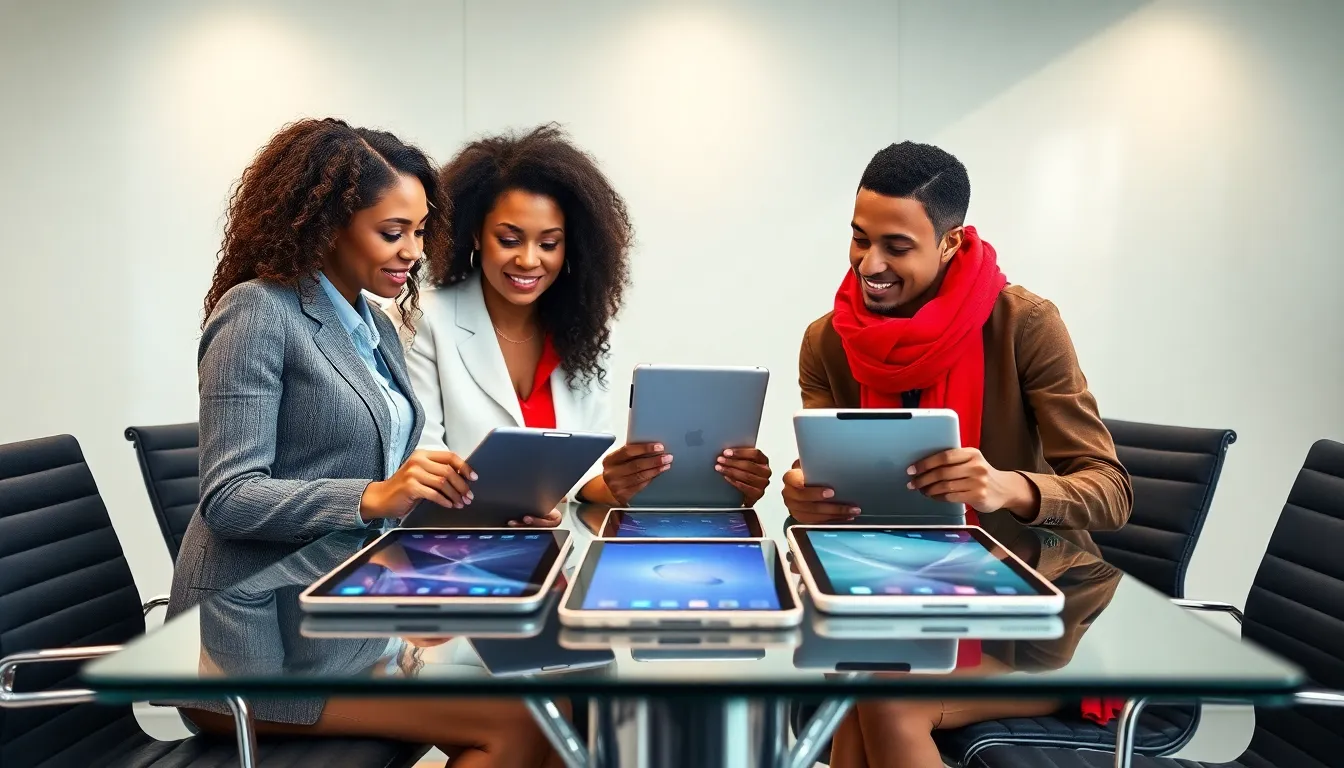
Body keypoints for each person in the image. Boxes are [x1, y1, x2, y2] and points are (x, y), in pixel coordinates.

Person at [169, 117, 563, 768]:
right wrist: (377, 496)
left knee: (556, 699)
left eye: (417, 231)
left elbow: (384, 477)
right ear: (326, 224)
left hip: (344, 611)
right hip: (254, 645)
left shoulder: (372, 327)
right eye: (392, 232)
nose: (413, 251)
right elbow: (231, 497)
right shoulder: (256, 313)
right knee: (518, 727)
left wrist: (491, 509)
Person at [781, 141, 1133, 768]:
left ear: (950, 242)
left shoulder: (1025, 324)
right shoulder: (827, 341)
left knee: (879, 696)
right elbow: (828, 506)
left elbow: (1110, 491)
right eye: (860, 239)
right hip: (891, 592)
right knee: (855, 687)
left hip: (1025, 610)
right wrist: (808, 499)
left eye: (897, 246)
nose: (870, 263)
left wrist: (1005, 488)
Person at [397, 124, 772, 509]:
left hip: (559, 550)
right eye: (509, 240)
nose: (528, 260)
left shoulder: (587, 330)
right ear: (475, 234)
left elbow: (586, 475)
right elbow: (423, 465)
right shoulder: (425, 319)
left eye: (548, 243)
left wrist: (627, 480)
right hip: (452, 545)